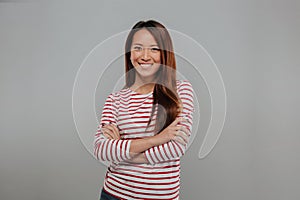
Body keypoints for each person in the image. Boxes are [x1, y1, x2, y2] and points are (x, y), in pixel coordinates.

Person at [93, 19, 194, 200]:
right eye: (138, 48)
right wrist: (159, 139)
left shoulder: (181, 91)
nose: (145, 56)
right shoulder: (115, 99)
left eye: (154, 49)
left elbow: (176, 147)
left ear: (164, 53)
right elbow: (102, 150)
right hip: (115, 195)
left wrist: (124, 153)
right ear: (129, 53)